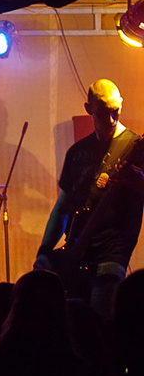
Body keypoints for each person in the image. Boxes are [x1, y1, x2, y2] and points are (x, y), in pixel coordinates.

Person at [34, 79, 144, 321]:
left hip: (112, 252)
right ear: (88, 109)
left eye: (116, 110)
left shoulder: (136, 147)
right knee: (72, 320)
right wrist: (44, 251)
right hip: (76, 250)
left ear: (121, 104)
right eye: (104, 112)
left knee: (101, 317)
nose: (112, 119)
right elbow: (62, 207)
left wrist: (137, 179)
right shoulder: (78, 152)